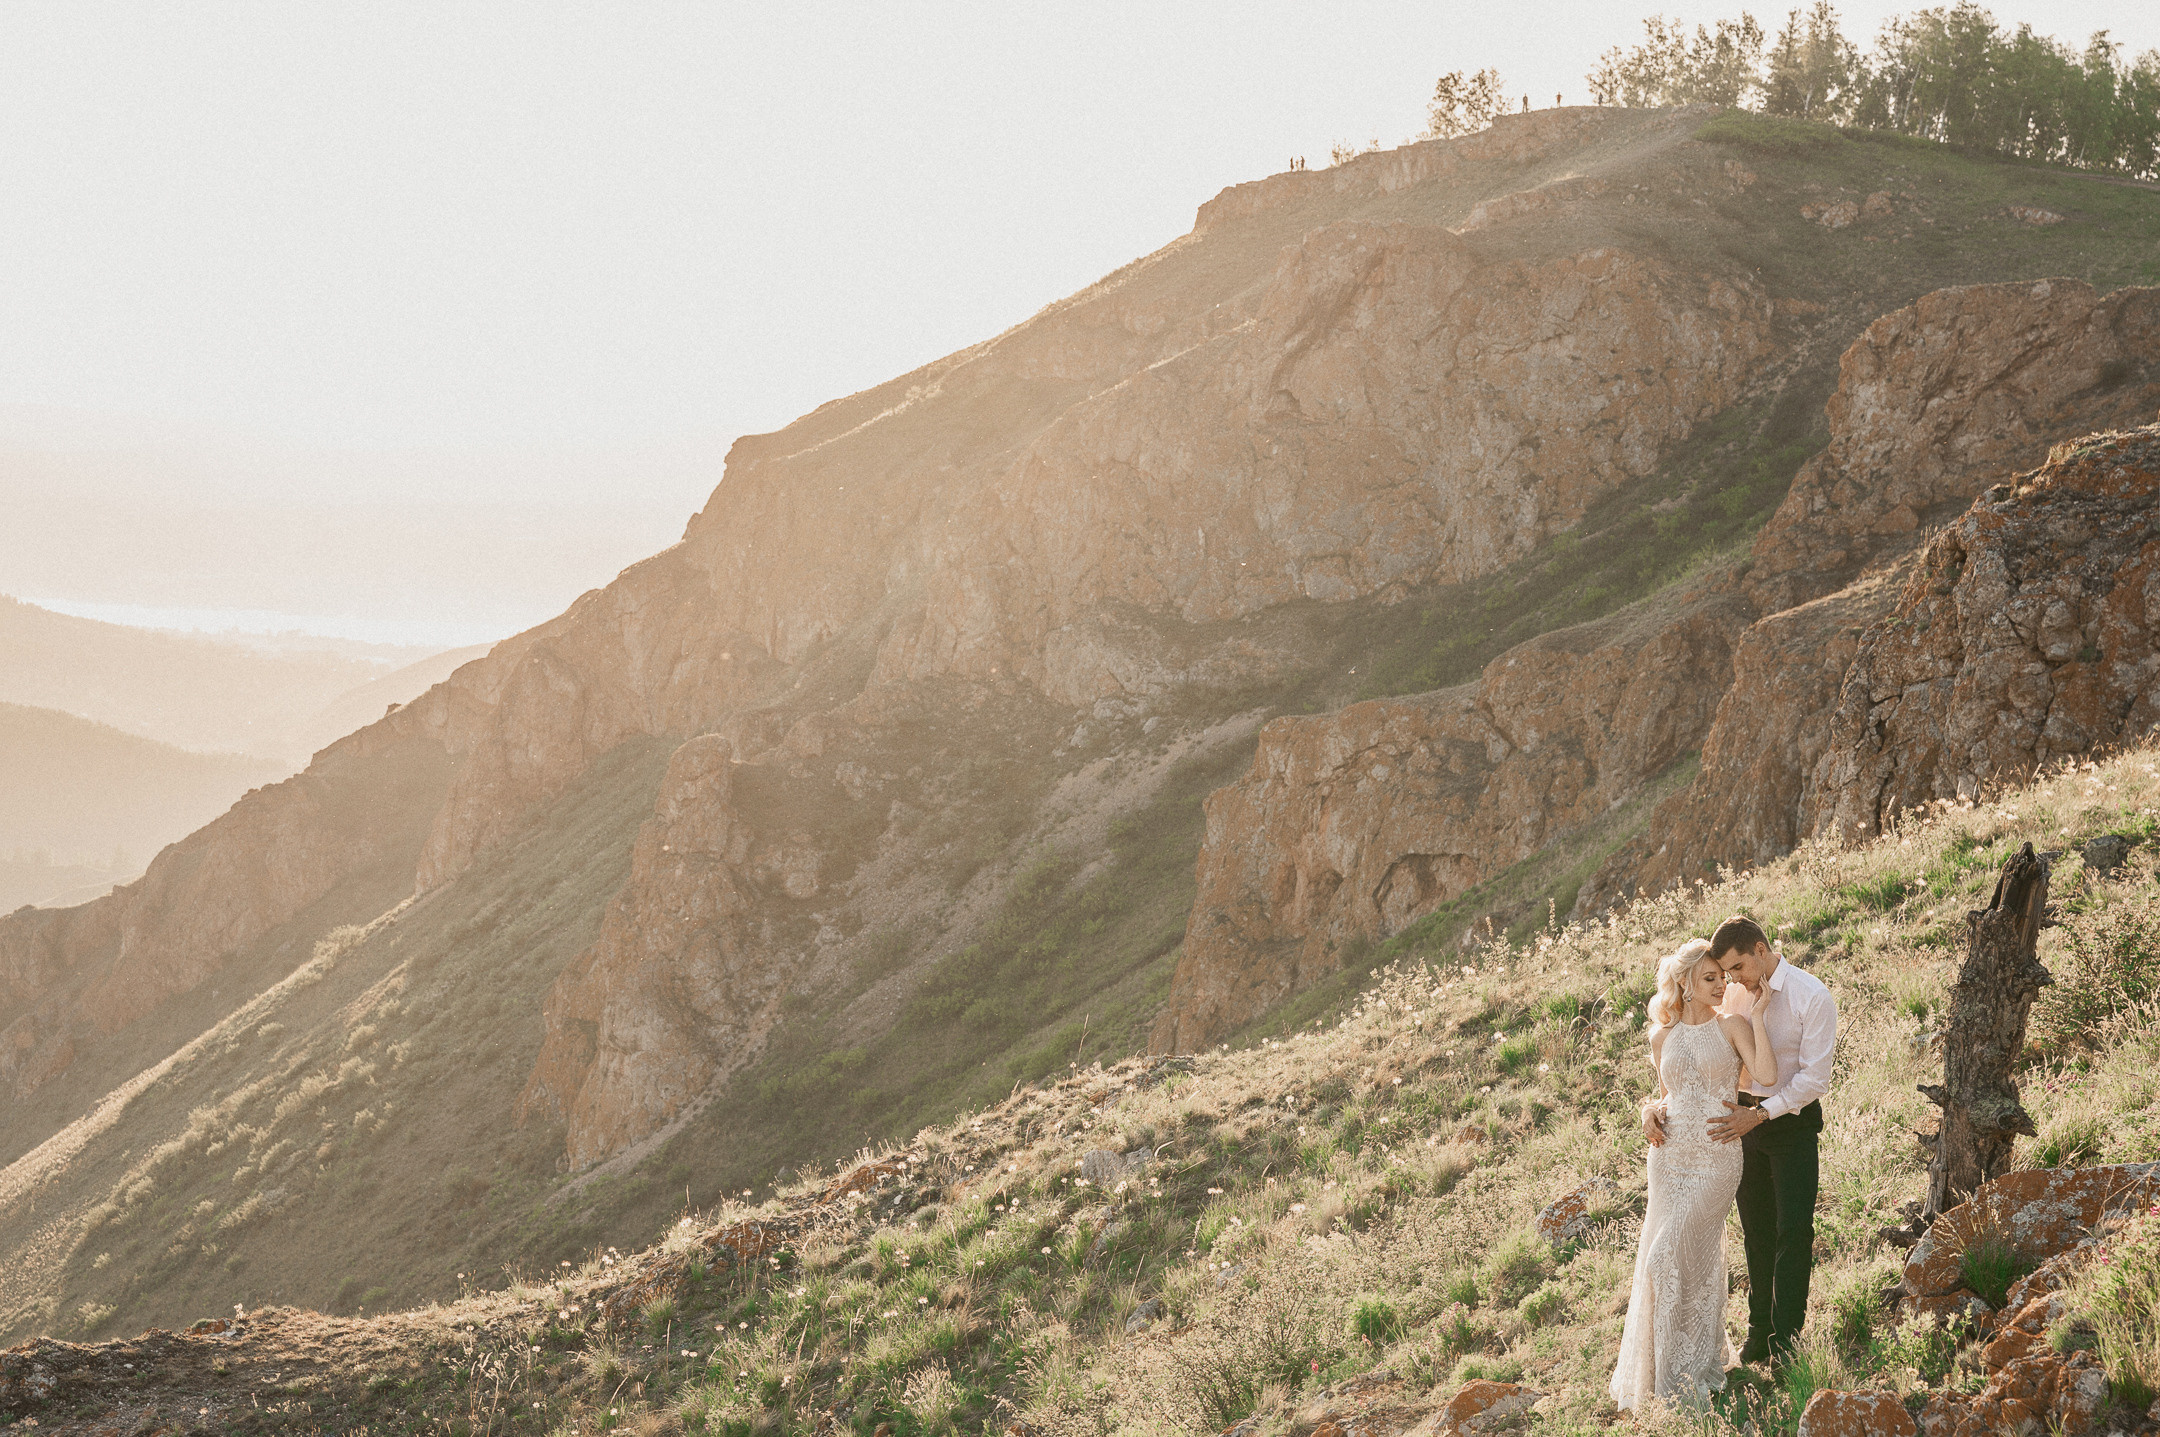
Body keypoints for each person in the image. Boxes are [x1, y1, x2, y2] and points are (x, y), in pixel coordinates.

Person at [1610, 938, 1778, 1410]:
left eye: (1724, 977)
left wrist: (1759, 1017)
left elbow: (1765, 1074)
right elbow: (1668, 1094)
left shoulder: (1733, 1025)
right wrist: (1647, 1109)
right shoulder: (1660, 1037)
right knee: (1674, 1260)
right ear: (1684, 983)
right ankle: (1668, 1368)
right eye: (1711, 978)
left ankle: (1686, 1371)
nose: (1723, 985)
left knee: (1668, 1254)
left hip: (1716, 1158)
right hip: (1668, 1159)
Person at [1708, 915, 1838, 1365]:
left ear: (1761, 950)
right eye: (1727, 973)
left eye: (1739, 967)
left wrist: (1761, 1114)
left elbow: (1814, 1080)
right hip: (1741, 1122)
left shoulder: (1811, 995)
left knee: (1794, 1232)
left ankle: (1787, 1342)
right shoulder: (1735, 994)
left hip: (1791, 1126)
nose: (1735, 980)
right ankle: (1758, 1332)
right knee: (1756, 1232)